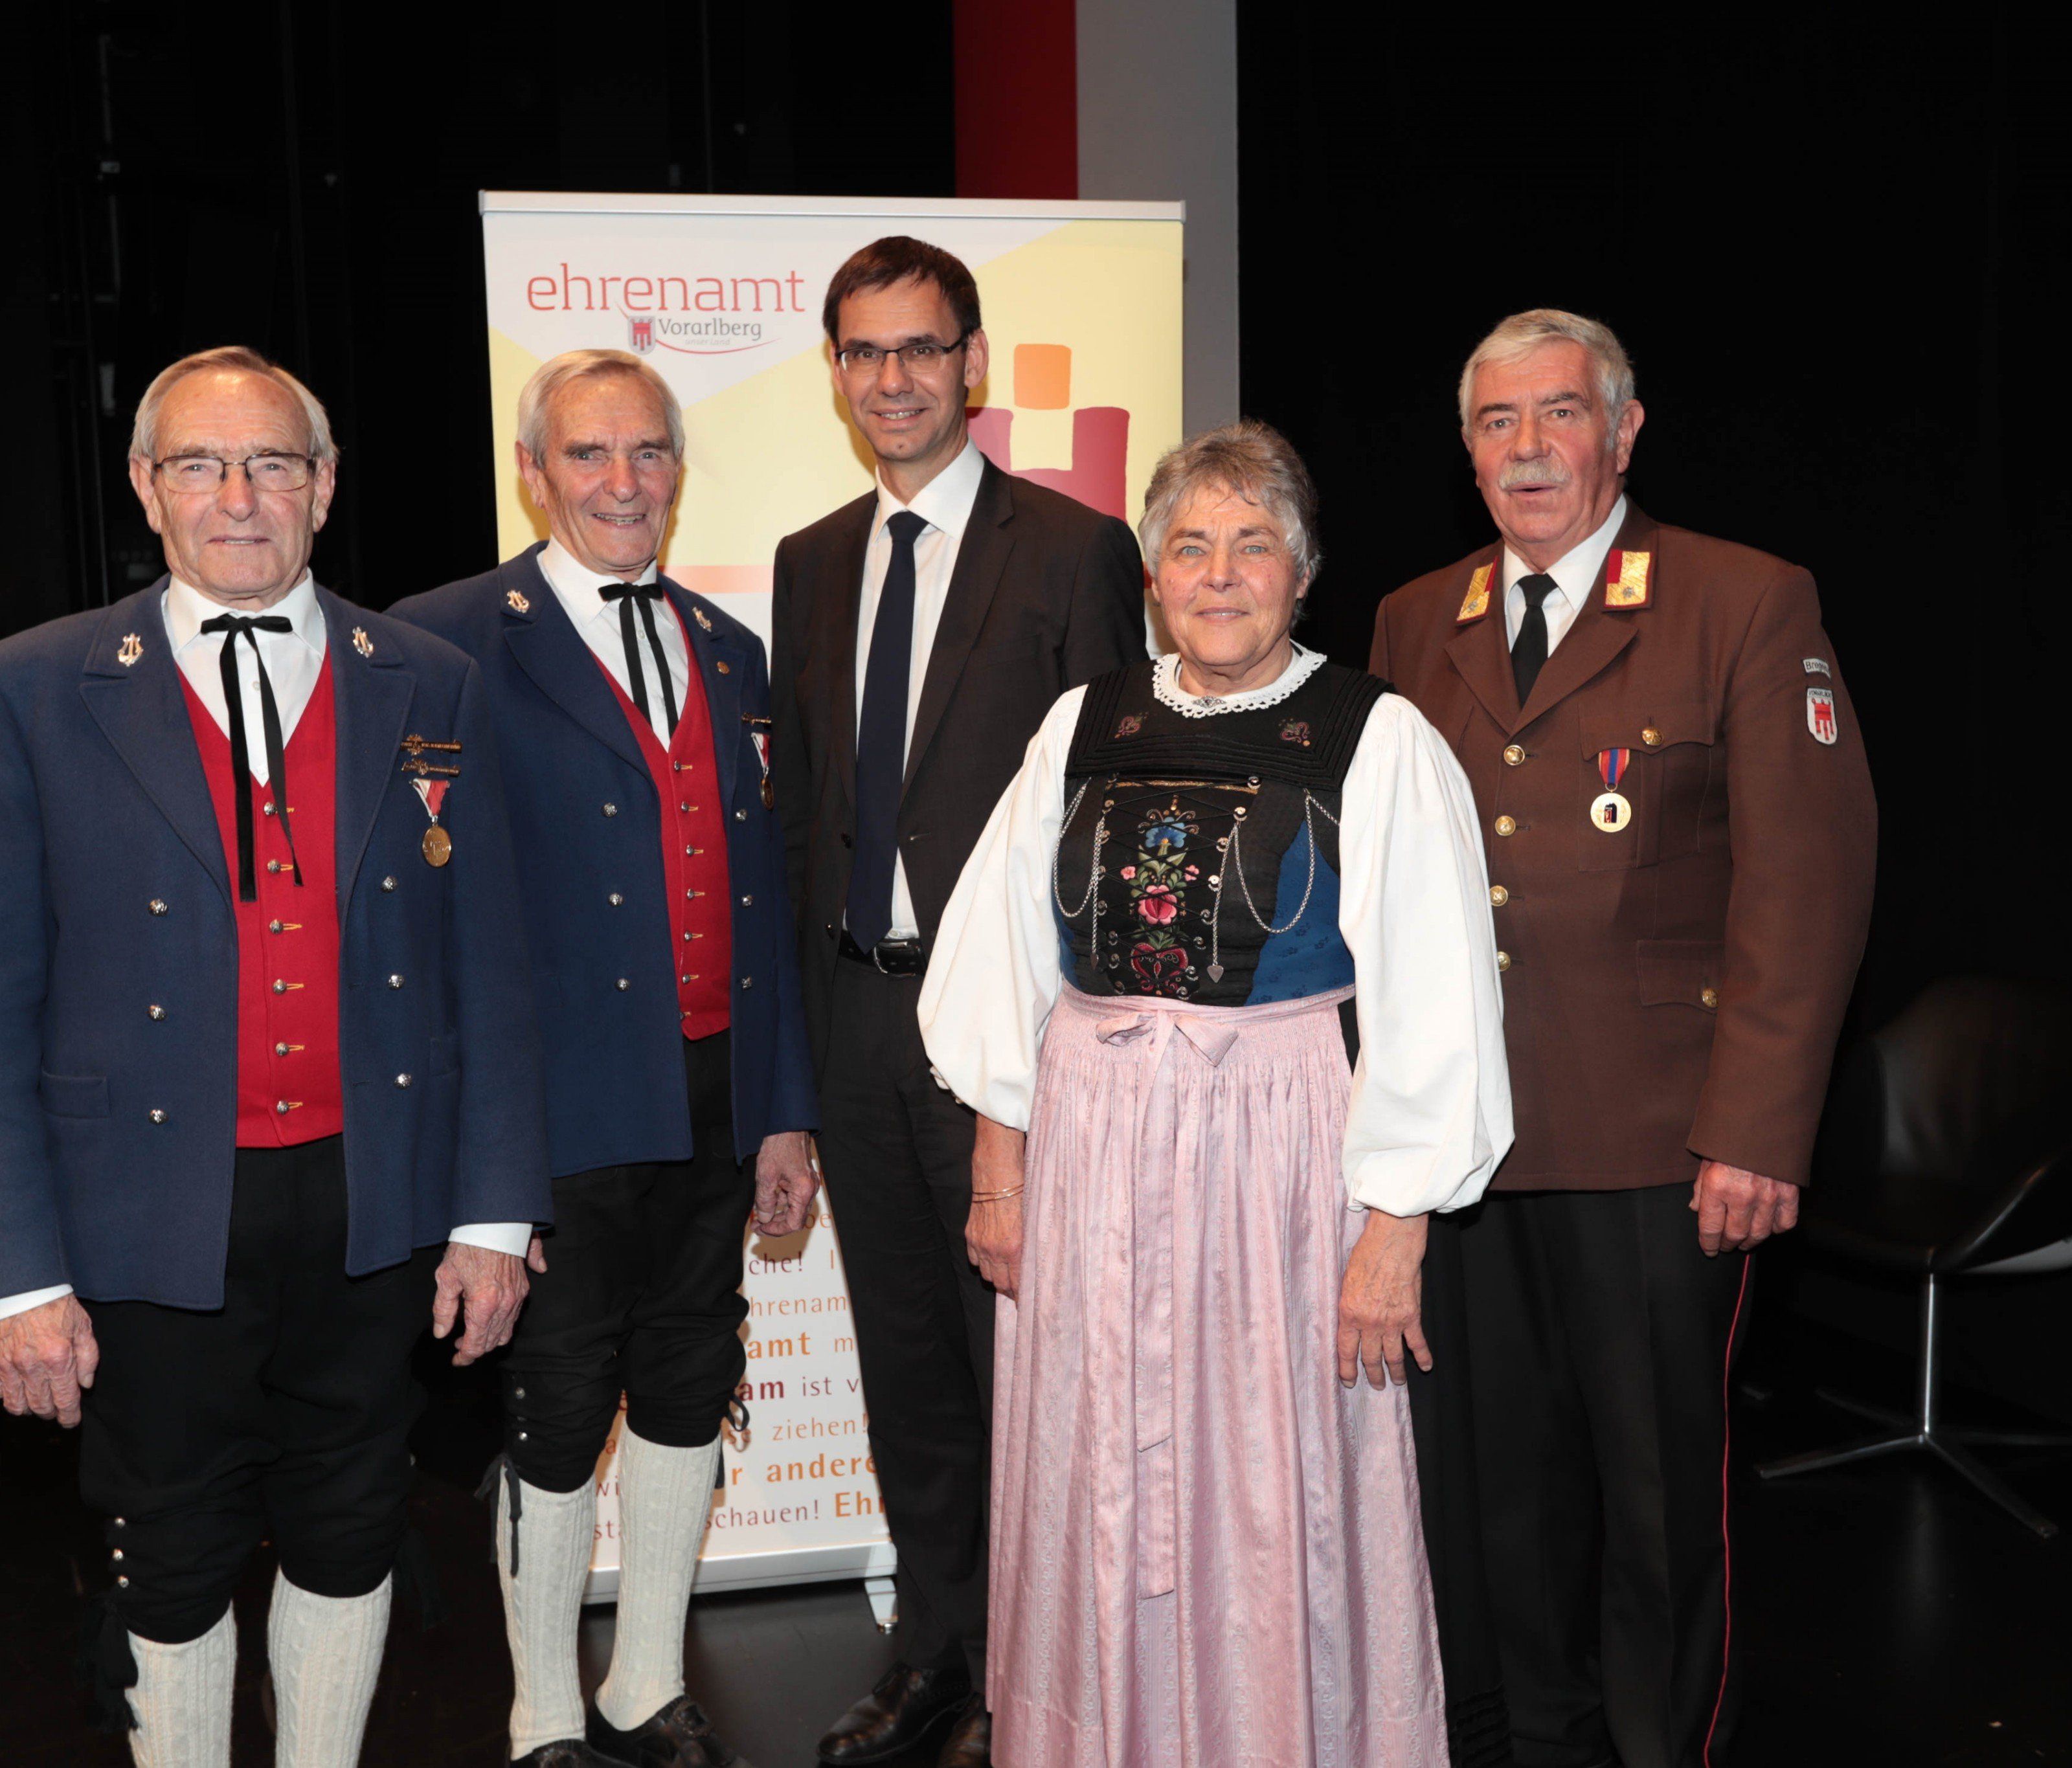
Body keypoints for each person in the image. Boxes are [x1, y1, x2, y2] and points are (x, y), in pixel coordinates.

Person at [918, 420, 1515, 1767]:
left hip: (1277, 1148)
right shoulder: (1084, 723)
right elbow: (1002, 952)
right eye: (1190, 545)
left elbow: (1437, 995)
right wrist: (999, 1167)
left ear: (1301, 571)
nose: (1220, 572)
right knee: (1097, 1463)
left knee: (1266, 1473)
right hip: (1090, 1143)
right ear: (1150, 573)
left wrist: (1395, 1226)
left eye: (1253, 545)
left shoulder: (1377, 736)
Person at [0, 346, 548, 1768]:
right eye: (200, 462)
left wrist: (494, 1215)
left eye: (273, 464)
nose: (238, 495)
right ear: (145, 486)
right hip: (144, 1211)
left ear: (324, 486)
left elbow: (490, 966)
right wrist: (22, 1270)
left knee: (354, 1519)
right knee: (173, 1548)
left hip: (379, 1204)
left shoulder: (427, 676)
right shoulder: (37, 684)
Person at [1370, 309, 1876, 1768]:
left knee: (1656, 1492)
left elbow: (1808, 877)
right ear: (1465, 450)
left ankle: (1659, 1747)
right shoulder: (1417, 619)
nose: (1529, 449)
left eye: (1559, 415)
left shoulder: (1741, 599)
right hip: (1468, 1137)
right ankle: (1532, 1737)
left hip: (1662, 1140)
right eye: (1496, 423)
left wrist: (1757, 1132)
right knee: (1493, 1492)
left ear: (1625, 430)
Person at [392, 349, 818, 1768]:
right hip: (552, 1108)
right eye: (589, 455)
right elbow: (419, 922)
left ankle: (643, 1685)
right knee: (560, 1401)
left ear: (678, 471)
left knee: (694, 1377)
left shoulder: (729, 649)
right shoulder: (445, 645)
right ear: (534, 471)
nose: (623, 483)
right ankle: (542, 1714)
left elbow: (762, 898)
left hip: (712, 1093)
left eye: (648, 454)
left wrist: (781, 1112)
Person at [769, 236, 1146, 1768]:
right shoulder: (806, 560)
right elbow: (803, 821)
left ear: (974, 364)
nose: (894, 381)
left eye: (922, 349)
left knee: (1027, 1379)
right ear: (838, 376)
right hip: (856, 1021)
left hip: (1014, 1041)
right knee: (910, 1366)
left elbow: (1115, 816)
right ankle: (935, 1658)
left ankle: (1040, 1686)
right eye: (864, 354)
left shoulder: (1074, 551)